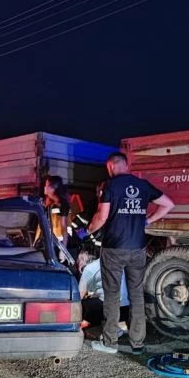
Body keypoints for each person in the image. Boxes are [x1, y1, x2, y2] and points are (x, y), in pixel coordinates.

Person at [87, 152, 175, 355]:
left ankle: (110, 343)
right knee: (136, 295)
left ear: (111, 167)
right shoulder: (143, 185)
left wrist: (89, 230)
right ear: (126, 166)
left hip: (114, 249)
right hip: (137, 249)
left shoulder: (110, 186)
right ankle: (137, 343)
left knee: (112, 295)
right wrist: (148, 220)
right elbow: (168, 204)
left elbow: (101, 217)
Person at [77, 250, 129, 333]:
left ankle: (84, 325)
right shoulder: (116, 262)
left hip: (113, 307)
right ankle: (121, 325)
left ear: (83, 259)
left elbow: (79, 295)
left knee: (84, 304)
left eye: (79, 259)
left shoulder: (89, 269)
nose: (78, 262)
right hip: (127, 306)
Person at [43, 175, 71, 255]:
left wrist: (63, 250)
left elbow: (64, 227)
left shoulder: (62, 204)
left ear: (53, 188)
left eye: (46, 185)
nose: (44, 187)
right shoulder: (50, 205)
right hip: (50, 244)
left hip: (58, 246)